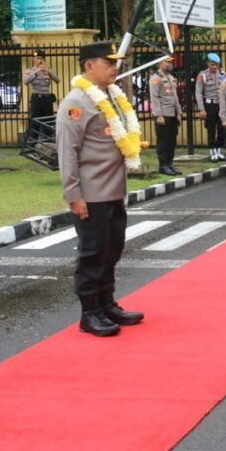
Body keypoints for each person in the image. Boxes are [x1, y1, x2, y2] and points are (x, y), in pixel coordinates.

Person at [56, 40, 144, 337]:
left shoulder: (111, 97)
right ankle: (89, 312)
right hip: (91, 194)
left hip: (113, 191)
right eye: (109, 63)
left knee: (112, 250)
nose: (115, 68)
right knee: (92, 254)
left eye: (116, 63)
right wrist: (74, 196)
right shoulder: (76, 103)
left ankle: (107, 303)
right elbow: (68, 153)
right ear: (89, 66)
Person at [149, 57, 183, 176]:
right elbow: (155, 97)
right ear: (160, 62)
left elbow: (175, 97)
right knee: (163, 141)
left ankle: (170, 163)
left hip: (172, 113)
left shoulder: (171, 77)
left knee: (172, 140)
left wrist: (178, 112)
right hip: (163, 114)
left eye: (170, 62)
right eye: (167, 62)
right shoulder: (155, 79)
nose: (170, 64)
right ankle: (163, 165)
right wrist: (159, 115)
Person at [23, 50, 60, 140]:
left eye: (41, 58)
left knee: (48, 122)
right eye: (37, 58)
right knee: (35, 123)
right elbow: (25, 81)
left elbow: (58, 80)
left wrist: (48, 71)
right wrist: (36, 72)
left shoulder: (48, 70)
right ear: (34, 59)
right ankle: (33, 145)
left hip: (47, 99)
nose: (39, 60)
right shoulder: (29, 71)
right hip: (36, 98)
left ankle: (48, 144)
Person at [196, 53, 226, 162]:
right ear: (208, 63)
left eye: (216, 64)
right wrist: (201, 109)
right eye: (213, 64)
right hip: (209, 105)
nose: (215, 67)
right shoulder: (202, 75)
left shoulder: (223, 74)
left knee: (222, 128)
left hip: (221, 105)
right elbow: (198, 93)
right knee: (211, 129)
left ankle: (219, 150)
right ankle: (212, 151)